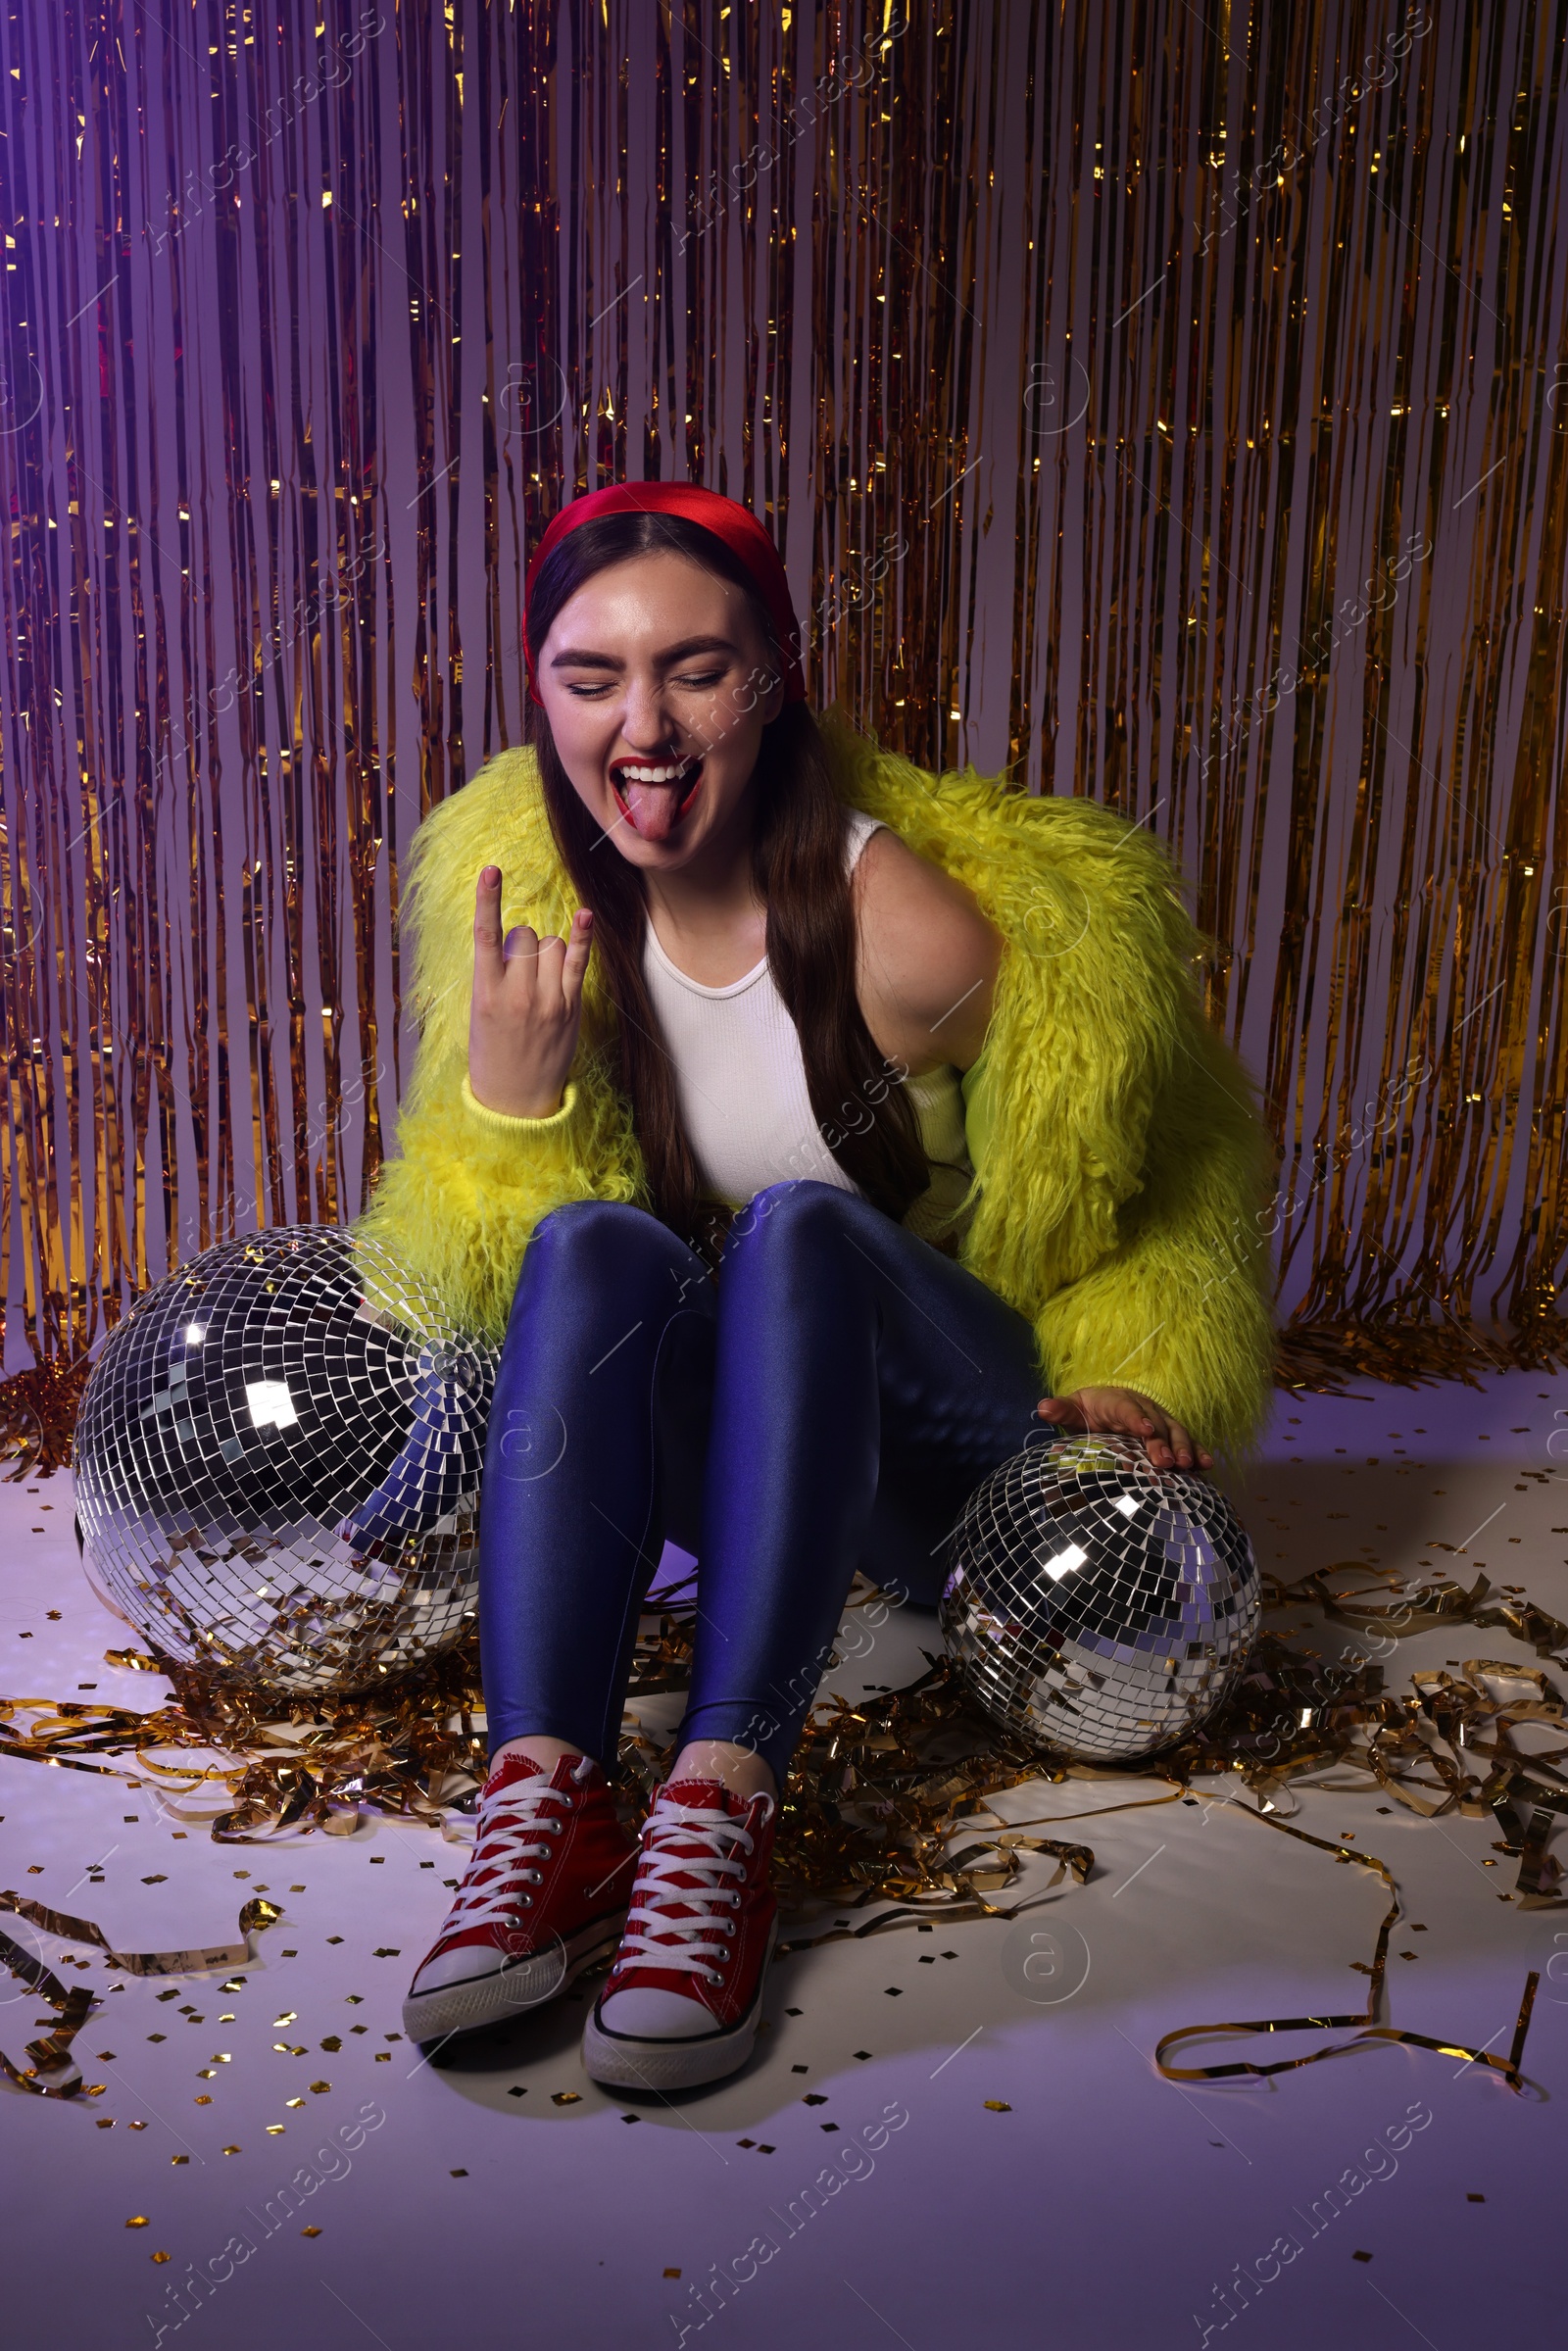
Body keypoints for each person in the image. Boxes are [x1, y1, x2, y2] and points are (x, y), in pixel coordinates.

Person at [350, 481, 1275, 2093]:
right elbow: (480, 1306)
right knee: (591, 1246)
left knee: (797, 1228)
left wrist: (1150, 1363)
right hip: (780, 1475)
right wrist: (508, 1102)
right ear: (539, 689)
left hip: (972, 1471)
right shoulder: (527, 913)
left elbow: (1173, 1163)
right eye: (590, 677)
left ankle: (721, 1806)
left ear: (773, 678)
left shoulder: (922, 927)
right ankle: (544, 1803)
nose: (642, 726)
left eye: (696, 671)